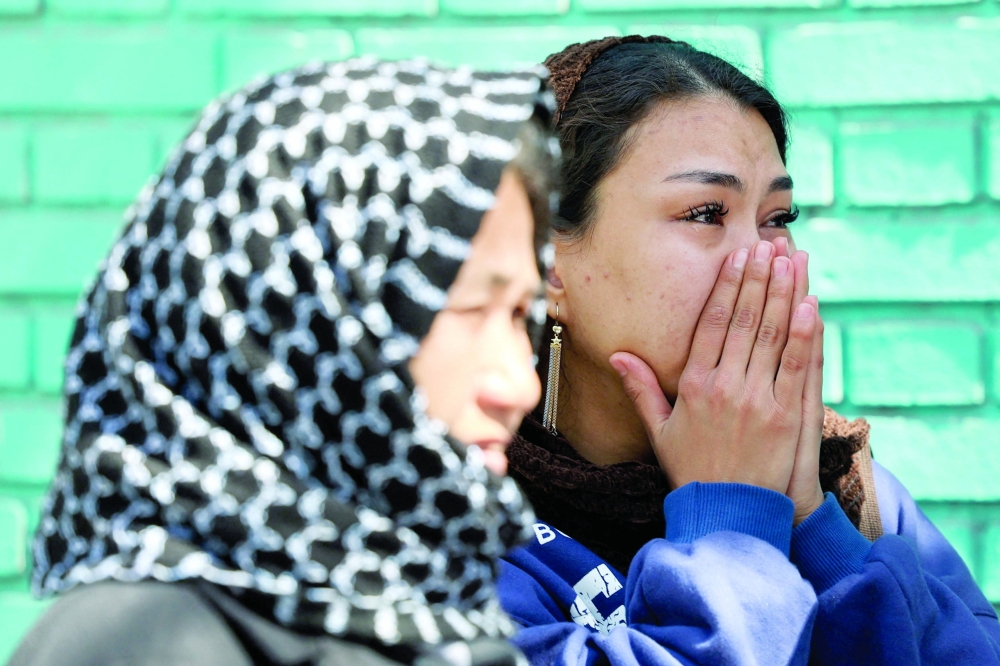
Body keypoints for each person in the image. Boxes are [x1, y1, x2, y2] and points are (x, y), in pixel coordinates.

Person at [9, 57, 558, 666]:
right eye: (469, 308)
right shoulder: (150, 643)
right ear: (294, 322)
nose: (519, 385)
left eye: (519, 316)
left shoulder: (427, 608)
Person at [498, 35, 1000, 665]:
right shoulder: (458, 521)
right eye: (707, 212)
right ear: (547, 260)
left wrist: (813, 526)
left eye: (777, 218)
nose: (761, 258)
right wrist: (731, 515)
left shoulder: (853, 489)